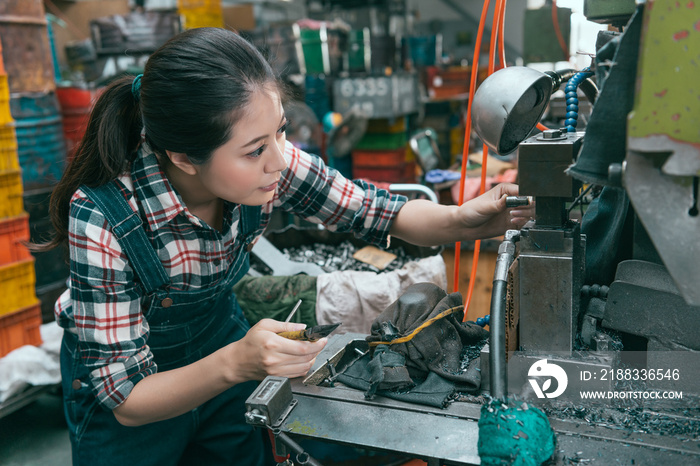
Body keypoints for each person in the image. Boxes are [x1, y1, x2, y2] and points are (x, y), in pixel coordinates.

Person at [44, 28, 533, 466]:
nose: (280, 159)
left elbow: (376, 211)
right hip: (135, 390)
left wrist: (464, 221)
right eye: (256, 148)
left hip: (217, 343)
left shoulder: (267, 164)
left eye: (279, 130)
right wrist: (237, 362)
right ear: (183, 157)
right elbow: (127, 400)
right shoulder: (105, 215)